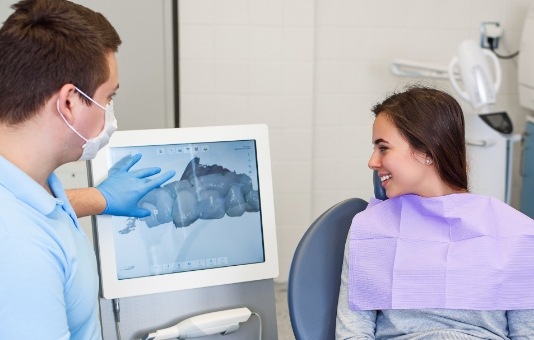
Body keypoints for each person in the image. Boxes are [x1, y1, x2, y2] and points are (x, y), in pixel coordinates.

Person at [0, 1, 174, 338]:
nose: (109, 112)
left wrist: (99, 198)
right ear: (68, 102)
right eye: (107, 98)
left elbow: (31, 211)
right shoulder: (18, 251)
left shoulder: (26, 182)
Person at [336, 85, 534, 339]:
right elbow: (353, 332)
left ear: (427, 151)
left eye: (383, 148)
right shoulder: (370, 230)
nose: (372, 162)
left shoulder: (516, 233)